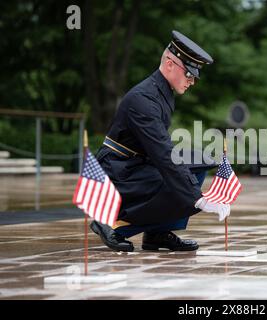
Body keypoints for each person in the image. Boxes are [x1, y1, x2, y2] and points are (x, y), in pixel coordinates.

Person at [90, 30, 230, 252]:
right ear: (169, 64)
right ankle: (109, 221)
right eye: (189, 74)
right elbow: (164, 154)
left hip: (135, 164)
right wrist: (197, 199)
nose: (192, 81)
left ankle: (157, 234)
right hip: (117, 171)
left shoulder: (161, 92)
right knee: (178, 182)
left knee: (198, 161)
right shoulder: (143, 99)